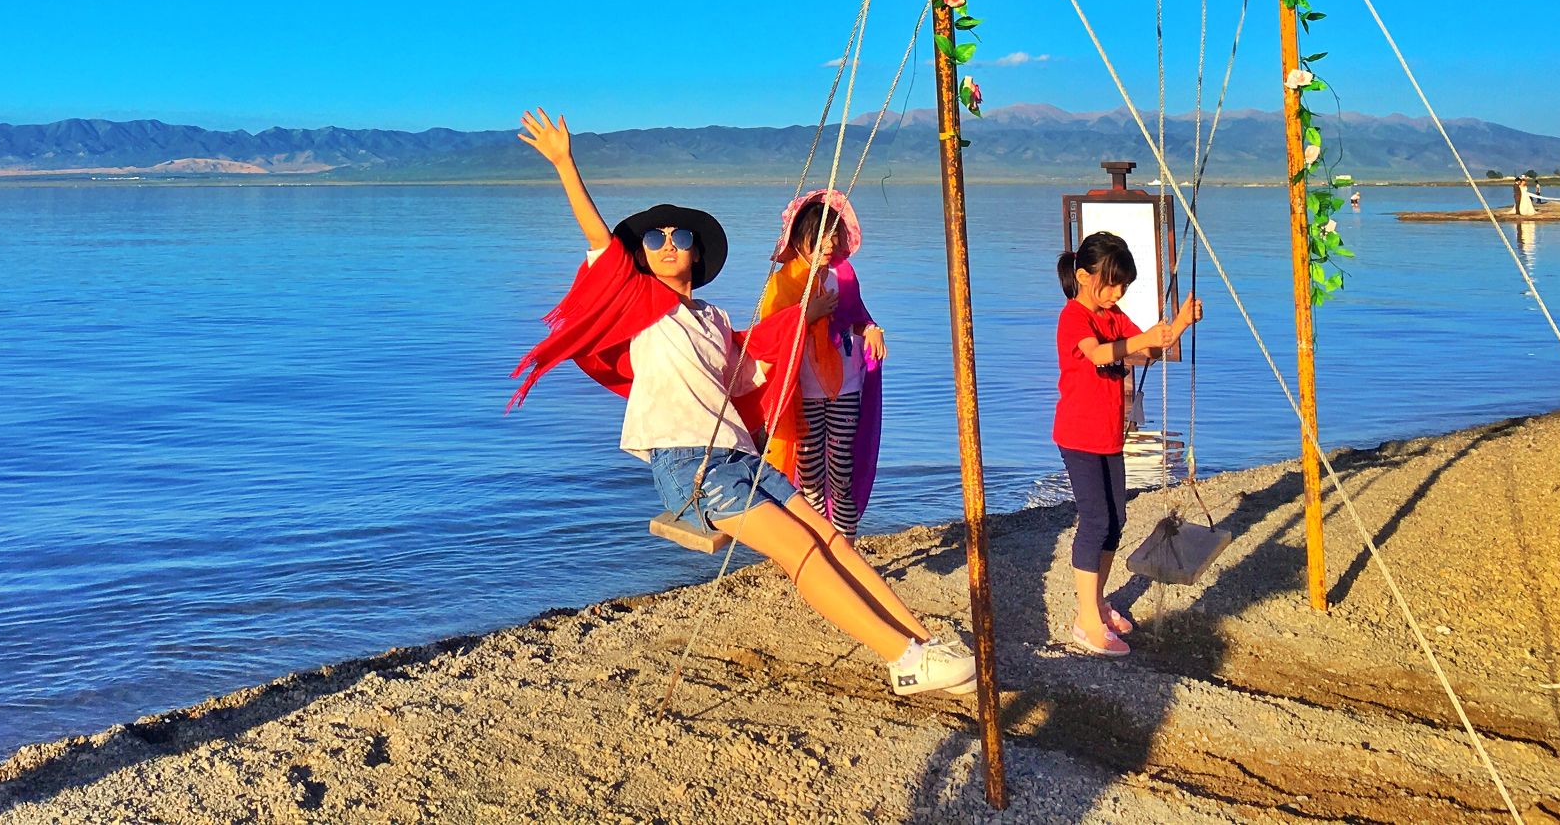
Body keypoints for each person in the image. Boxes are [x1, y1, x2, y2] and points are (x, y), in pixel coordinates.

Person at [508, 108, 976, 700]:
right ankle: (902, 659)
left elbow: (749, 366)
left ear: (699, 255)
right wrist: (564, 162)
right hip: (690, 466)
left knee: (830, 535)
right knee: (800, 550)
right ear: (643, 256)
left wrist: (805, 316)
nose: (668, 243)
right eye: (655, 238)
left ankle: (922, 639)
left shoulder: (714, 318)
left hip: (739, 458)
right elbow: (600, 243)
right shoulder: (638, 307)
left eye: (680, 238)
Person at [1054, 230, 1203, 655]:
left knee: (1116, 520)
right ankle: (1085, 620)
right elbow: (1101, 354)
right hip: (1078, 435)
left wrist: (1178, 323)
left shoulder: (1114, 315)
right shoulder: (1075, 317)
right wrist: (1143, 340)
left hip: (1109, 436)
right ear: (1084, 276)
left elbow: (1147, 352)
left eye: (1123, 286)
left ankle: (1097, 604)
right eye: (1111, 283)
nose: (1117, 292)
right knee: (1095, 521)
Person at [755, 189, 885, 540]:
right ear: (798, 239)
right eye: (820, 236)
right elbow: (767, 338)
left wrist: (871, 329)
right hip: (804, 392)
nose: (829, 243)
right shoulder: (783, 284)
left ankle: (846, 545)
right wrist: (806, 315)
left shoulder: (843, 276)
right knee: (809, 473)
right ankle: (817, 546)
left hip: (845, 385)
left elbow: (854, 318)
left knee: (841, 472)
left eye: (834, 234)